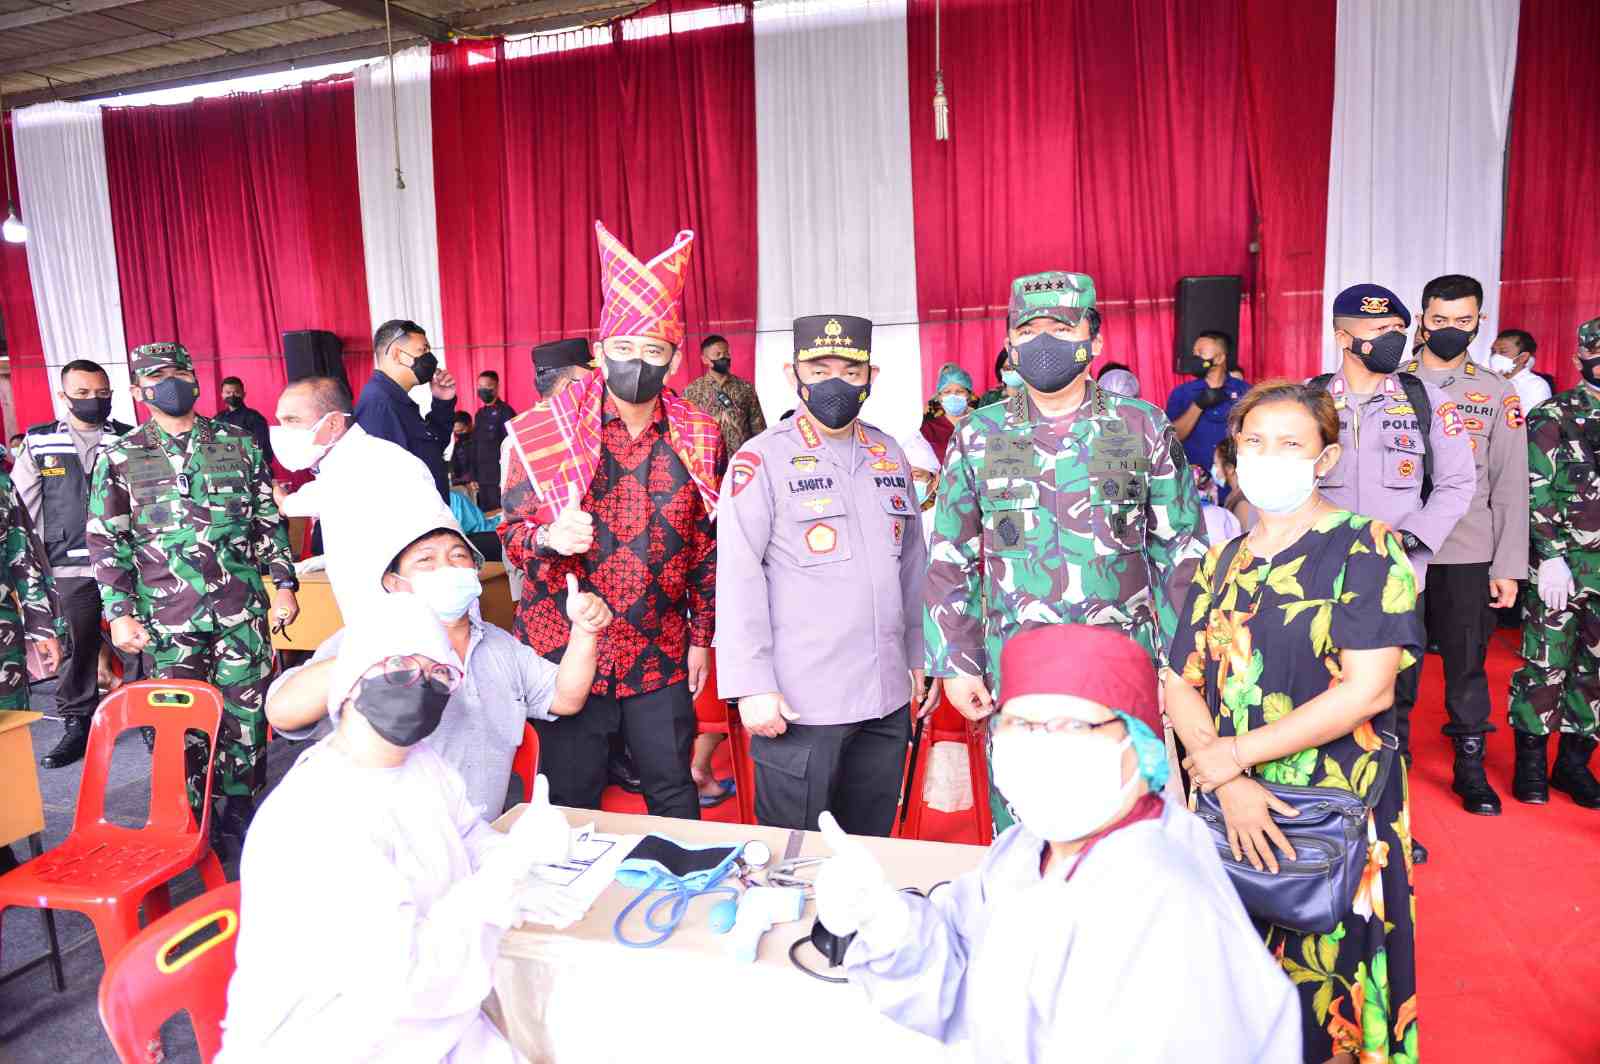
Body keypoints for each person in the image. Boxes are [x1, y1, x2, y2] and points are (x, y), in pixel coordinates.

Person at [817, 624, 1300, 1062]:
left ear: (1137, 745)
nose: (1040, 745)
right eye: (1020, 724)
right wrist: (890, 924)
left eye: (1072, 725)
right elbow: (961, 980)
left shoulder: (1167, 902)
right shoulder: (1023, 852)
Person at [1165, 380, 1423, 1064]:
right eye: (1253, 442)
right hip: (1228, 809)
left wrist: (1234, 756)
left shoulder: (1366, 547)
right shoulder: (1221, 559)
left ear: (1325, 458)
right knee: (1231, 995)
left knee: (1328, 1000)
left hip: (1331, 813)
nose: (1267, 456)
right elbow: (1179, 679)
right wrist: (1229, 782)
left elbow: (1368, 690)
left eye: (1289, 444)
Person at [218, 596, 579, 1063]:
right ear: (351, 677)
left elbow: (467, 832)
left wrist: (518, 866)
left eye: (438, 674)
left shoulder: (420, 763)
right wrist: (503, 876)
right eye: (400, 666)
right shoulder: (320, 815)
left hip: (437, 1022)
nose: (421, 685)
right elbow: (406, 985)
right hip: (340, 1040)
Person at [925, 270, 1204, 831]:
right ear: (1009, 344)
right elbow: (951, 555)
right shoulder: (978, 433)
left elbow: (1180, 552)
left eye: (1061, 327)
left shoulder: (1141, 425)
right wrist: (956, 662)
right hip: (1018, 667)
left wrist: (1180, 665)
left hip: (1122, 663)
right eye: (1028, 331)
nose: (1044, 343)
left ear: (1094, 340)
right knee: (1027, 821)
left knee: (1125, 819)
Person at [498, 222, 720, 820]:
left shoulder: (699, 435)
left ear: (674, 359)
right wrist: (549, 537)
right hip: (564, 648)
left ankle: (685, 879)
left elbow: (707, 547)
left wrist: (702, 637)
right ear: (599, 351)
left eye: (653, 351)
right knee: (570, 802)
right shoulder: (546, 431)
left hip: (659, 646)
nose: (636, 362)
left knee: (673, 791)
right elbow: (511, 539)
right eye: (623, 348)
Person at [717, 315, 938, 834]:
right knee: (795, 853)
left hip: (885, 696)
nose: (834, 383)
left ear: (871, 377)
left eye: (850, 371)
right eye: (819, 370)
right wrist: (750, 684)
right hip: (800, 703)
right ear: (793, 374)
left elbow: (912, 566)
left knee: (869, 845)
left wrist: (919, 656)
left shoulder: (889, 454)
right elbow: (738, 576)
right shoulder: (761, 459)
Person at [265, 497, 610, 816]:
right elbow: (282, 711)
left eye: (458, 556)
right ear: (395, 583)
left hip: (480, 837)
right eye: (426, 560)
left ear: (474, 571)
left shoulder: (499, 645)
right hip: (390, 846)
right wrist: (374, 656)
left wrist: (584, 632)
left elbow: (565, 698)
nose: (446, 567)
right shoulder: (369, 638)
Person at [88, 342, 299, 858]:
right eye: (158, 376)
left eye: (180, 373)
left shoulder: (239, 443)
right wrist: (120, 614)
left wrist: (284, 586)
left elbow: (267, 520)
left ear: (196, 379)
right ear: (138, 390)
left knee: (246, 715)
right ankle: (189, 816)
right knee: (178, 719)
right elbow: (107, 540)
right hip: (167, 618)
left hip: (240, 609)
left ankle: (240, 812)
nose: (172, 383)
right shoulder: (120, 456)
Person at [1311, 283, 1474, 860]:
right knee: (1316, 699)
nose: (1392, 341)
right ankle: (1324, 820)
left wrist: (1413, 541)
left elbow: (1457, 484)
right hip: (1319, 583)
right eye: (1378, 332)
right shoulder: (1309, 401)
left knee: (1391, 707)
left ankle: (1388, 822)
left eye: (1398, 331)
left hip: (1397, 581)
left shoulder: (1428, 401)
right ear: (1343, 336)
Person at [1402, 274, 1529, 815]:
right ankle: (1389, 765)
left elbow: (1510, 483)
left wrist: (1508, 566)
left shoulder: (1497, 392)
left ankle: (1470, 767)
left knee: (1468, 665)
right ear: (1422, 320)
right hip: (1400, 548)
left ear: (1479, 322)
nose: (1450, 329)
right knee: (1393, 665)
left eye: (1462, 320)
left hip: (1467, 549)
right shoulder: (1389, 381)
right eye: (1439, 319)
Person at [16, 359, 133, 768]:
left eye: (101, 393)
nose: (92, 400)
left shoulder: (129, 438)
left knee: (139, 644)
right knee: (77, 646)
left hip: (125, 564)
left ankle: (147, 718)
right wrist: (34, 567)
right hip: (67, 564)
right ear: (63, 396)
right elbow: (25, 508)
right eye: (82, 393)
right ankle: (77, 725)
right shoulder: (39, 441)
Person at [1507, 314, 1600, 810]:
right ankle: (1531, 764)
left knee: (1596, 670)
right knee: (1546, 665)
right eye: (1597, 354)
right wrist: (1550, 557)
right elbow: (1535, 488)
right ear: (1579, 357)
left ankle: (1573, 764)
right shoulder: (1554, 415)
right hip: (1563, 566)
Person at [272, 376, 438, 623]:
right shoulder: (342, 465)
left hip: (411, 619)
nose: (282, 432)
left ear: (334, 423)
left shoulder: (371, 462)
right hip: (378, 617)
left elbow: (304, 501)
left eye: (292, 420)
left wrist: (282, 499)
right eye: (280, 421)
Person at [355, 318, 456, 502]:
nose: (429, 358)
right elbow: (387, 484)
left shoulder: (398, 401)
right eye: (422, 350)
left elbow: (432, 450)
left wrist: (442, 402)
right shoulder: (379, 405)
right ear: (396, 354)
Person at [1166, 330, 1249, 472]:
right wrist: (1197, 406)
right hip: (1194, 478)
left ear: (1220, 358)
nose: (1195, 357)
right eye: (1194, 353)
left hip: (1233, 476)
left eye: (1201, 352)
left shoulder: (1245, 391)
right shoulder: (1182, 393)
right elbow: (1172, 438)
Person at [684, 334, 766, 465]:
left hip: (741, 461)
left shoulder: (745, 388)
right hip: (707, 463)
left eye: (726, 353)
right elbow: (685, 431)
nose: (724, 357)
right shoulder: (692, 391)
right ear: (705, 359)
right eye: (718, 354)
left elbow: (758, 428)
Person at [471, 370, 515, 512]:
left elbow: (512, 446)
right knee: (485, 514)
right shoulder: (479, 414)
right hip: (482, 477)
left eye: (487, 386)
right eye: (480, 386)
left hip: (499, 476)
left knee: (500, 514)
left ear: (496, 388)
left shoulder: (506, 412)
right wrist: (474, 475)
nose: (482, 390)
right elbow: (475, 446)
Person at [920, 362, 975, 464]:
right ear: (939, 397)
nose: (953, 396)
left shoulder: (981, 424)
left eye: (959, 391)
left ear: (969, 395)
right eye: (947, 392)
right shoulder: (928, 430)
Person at [1489, 328, 1554, 412]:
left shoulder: (1536, 386)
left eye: (1503, 352)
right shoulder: (1488, 382)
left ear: (1523, 357)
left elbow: (1531, 419)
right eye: (1493, 352)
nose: (1495, 357)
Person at [215, 376, 273, 468]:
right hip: (224, 469)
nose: (232, 395)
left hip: (252, 468)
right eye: (228, 392)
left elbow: (263, 449)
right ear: (222, 395)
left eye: (236, 392)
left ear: (243, 394)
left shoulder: (255, 418)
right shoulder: (218, 418)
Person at [899, 429, 940, 547]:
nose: (910, 482)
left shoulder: (944, 518)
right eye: (906, 476)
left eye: (917, 476)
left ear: (935, 480)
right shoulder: (896, 515)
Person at [1214, 435, 1257, 531]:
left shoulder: (1243, 503)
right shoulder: (1234, 495)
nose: (1214, 469)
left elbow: (1244, 536)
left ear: (1229, 468)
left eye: (1216, 464)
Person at [449, 411, 475, 493]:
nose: (459, 434)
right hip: (461, 487)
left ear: (470, 425)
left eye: (461, 430)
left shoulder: (479, 443)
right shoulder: (457, 445)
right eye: (456, 432)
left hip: (476, 485)